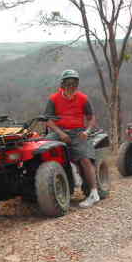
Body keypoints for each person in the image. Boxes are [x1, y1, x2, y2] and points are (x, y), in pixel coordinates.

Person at [44, 69, 99, 208]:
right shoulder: (53, 99)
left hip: (78, 132)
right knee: (42, 151)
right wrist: (60, 133)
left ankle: (93, 193)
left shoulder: (83, 98)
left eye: (74, 83)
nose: (71, 86)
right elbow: (48, 120)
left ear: (77, 84)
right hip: (59, 132)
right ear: (62, 84)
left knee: (85, 158)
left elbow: (91, 117)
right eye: (68, 83)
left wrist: (87, 131)